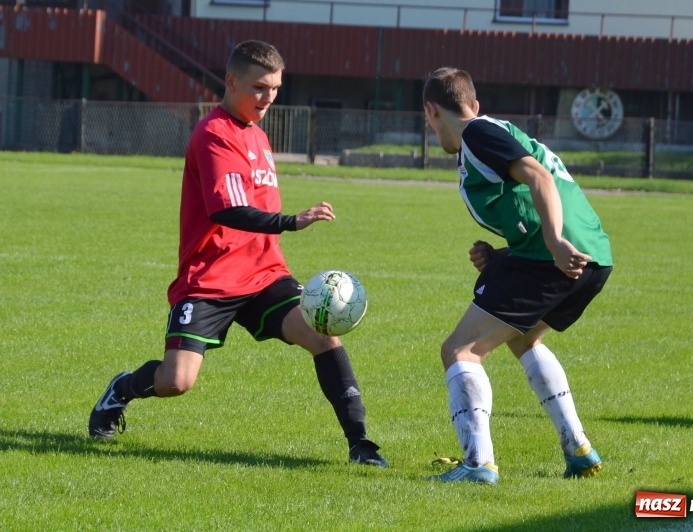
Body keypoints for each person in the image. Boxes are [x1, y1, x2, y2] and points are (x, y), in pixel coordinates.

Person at [89, 40, 387, 468]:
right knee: (176, 381)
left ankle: (361, 445)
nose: (269, 98)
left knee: (323, 335)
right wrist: (291, 221)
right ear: (231, 81)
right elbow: (225, 210)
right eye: (260, 88)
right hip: (209, 279)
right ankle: (121, 389)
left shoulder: (259, 135)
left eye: (276, 89)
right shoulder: (213, 134)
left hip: (265, 275)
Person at [422, 67, 613, 485]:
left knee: (460, 351)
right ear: (474, 103)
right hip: (594, 256)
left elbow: (537, 177)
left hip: (556, 256)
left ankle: (478, 464)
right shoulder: (494, 131)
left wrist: (556, 241)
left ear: (431, 111)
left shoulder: (476, 134)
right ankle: (579, 449)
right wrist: (503, 256)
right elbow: (529, 196)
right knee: (525, 338)